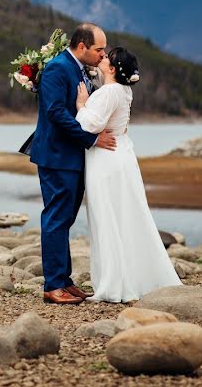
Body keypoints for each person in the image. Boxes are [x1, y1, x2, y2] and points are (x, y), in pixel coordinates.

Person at [76, 47, 183, 302]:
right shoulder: (124, 90)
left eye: (105, 58)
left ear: (112, 69)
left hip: (105, 160)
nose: (101, 58)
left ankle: (115, 282)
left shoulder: (109, 92)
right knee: (127, 215)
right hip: (121, 155)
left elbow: (88, 125)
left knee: (108, 217)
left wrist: (81, 104)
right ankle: (136, 274)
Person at [29, 23, 117, 305]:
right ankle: (52, 285)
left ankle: (64, 281)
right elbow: (55, 113)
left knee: (65, 218)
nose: (103, 55)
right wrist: (91, 139)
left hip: (71, 157)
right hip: (57, 155)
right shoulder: (58, 68)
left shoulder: (77, 67)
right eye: (98, 49)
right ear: (82, 47)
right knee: (56, 217)